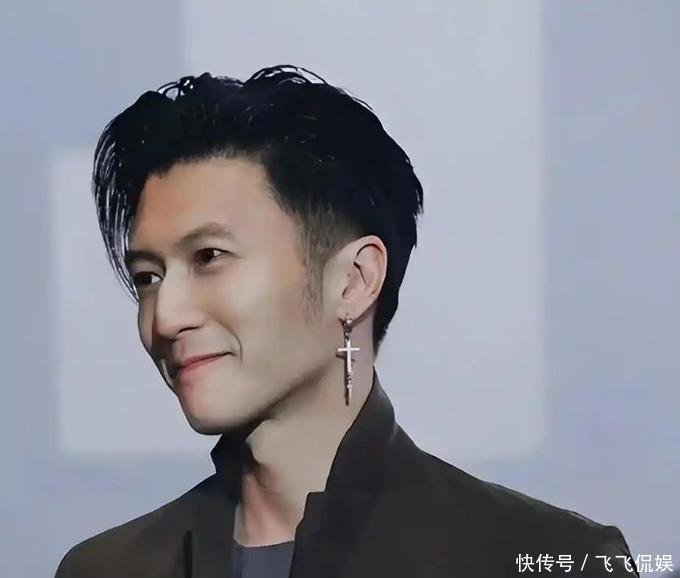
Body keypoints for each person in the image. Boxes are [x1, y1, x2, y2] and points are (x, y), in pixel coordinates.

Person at [55, 65, 638, 578]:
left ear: (354, 281)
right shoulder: (107, 569)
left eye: (209, 257)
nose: (166, 316)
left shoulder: (547, 556)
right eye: (148, 277)